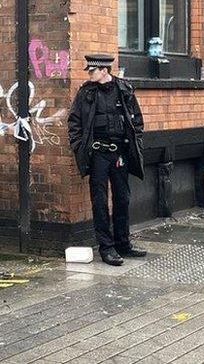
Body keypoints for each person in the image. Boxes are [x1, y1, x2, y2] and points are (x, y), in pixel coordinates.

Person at [67, 54, 147, 266]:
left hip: (119, 152)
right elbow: (74, 121)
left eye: (92, 70)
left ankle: (123, 244)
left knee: (123, 198)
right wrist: (78, 146)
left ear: (104, 70)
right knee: (100, 201)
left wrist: (136, 140)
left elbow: (136, 120)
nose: (89, 74)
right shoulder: (86, 93)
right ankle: (107, 248)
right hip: (98, 155)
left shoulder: (124, 90)